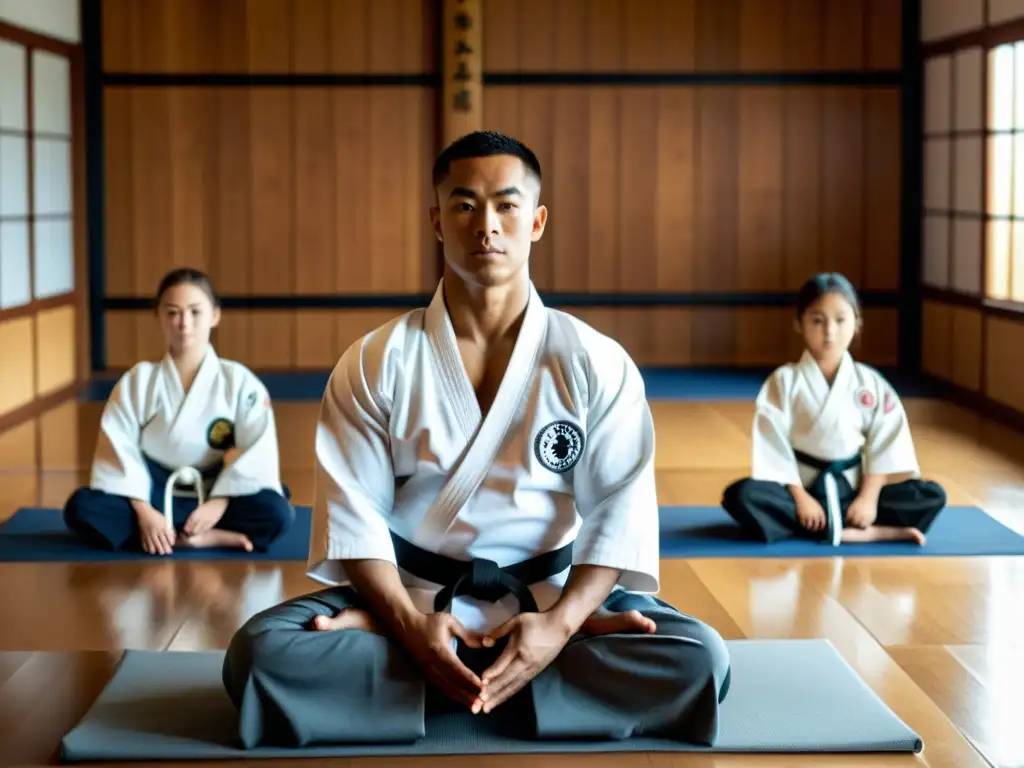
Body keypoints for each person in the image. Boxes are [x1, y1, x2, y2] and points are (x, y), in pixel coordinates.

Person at [221, 130, 731, 749]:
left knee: (701, 657)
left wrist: (564, 623)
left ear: (537, 221)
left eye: (506, 205)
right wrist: (405, 623)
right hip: (412, 598)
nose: (485, 225)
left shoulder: (595, 361)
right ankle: (503, 679)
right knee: (258, 654)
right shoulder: (376, 361)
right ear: (437, 221)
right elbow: (353, 515)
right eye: (464, 206)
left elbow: (618, 512)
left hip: (551, 599)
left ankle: (464, 673)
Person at [63, 268, 294, 554]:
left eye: (195, 312)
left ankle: (200, 535)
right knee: (82, 507)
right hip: (151, 490)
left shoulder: (239, 381)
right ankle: (177, 534)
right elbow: (118, 447)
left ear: (215, 315)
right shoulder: (139, 380)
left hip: (214, 490)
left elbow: (257, 453)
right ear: (159, 317)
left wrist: (219, 503)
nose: (184, 323)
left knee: (276, 509)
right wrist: (144, 509)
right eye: (172, 312)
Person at [721, 272, 947, 546]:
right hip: (802, 491)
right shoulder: (784, 381)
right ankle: (872, 532)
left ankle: (836, 527)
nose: (830, 331)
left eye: (840, 320)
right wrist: (801, 498)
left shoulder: (870, 383)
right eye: (818, 320)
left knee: (931, 494)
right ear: (799, 323)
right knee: (742, 496)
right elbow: (773, 446)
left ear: (857, 323)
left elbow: (886, 443)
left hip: (853, 489)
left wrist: (868, 498)